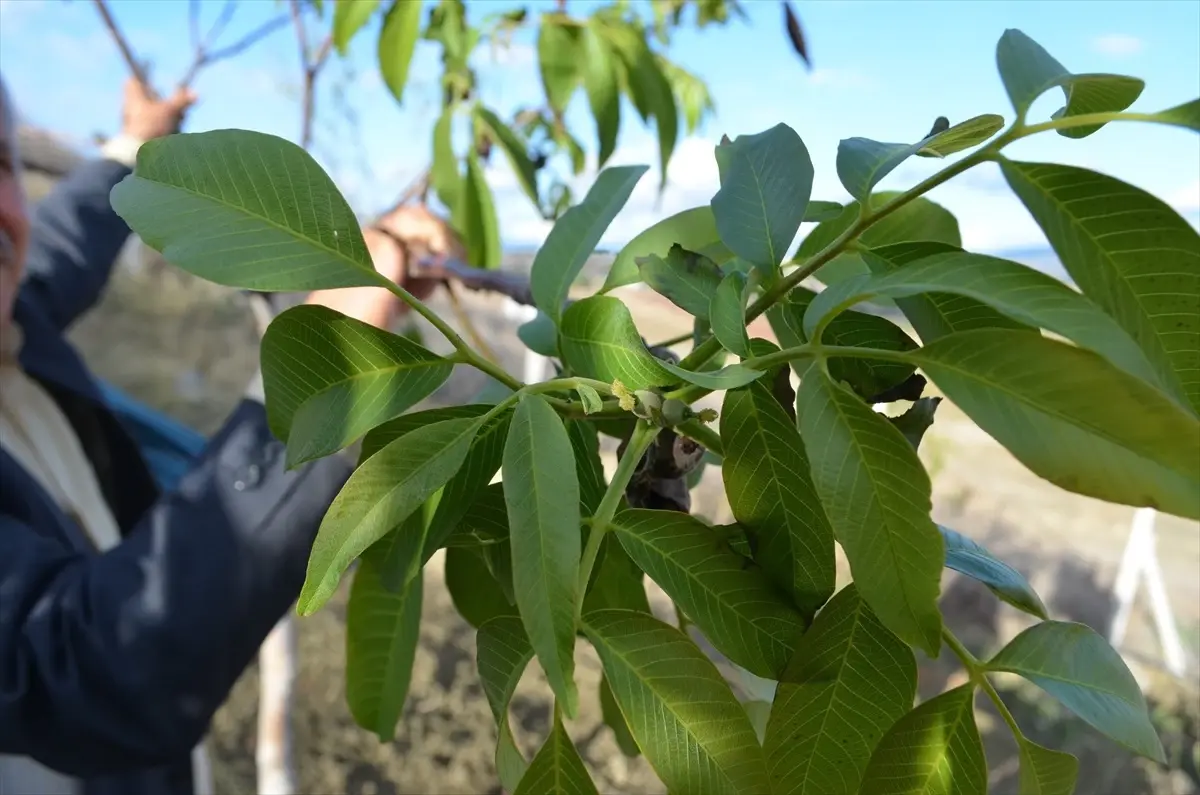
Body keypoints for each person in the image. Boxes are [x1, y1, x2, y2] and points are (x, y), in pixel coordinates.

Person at [0, 77, 456, 795]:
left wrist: (133, 142)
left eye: (0, 163)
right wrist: (324, 370)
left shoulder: (13, 314)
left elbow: (65, 237)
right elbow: (87, 668)